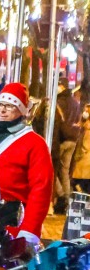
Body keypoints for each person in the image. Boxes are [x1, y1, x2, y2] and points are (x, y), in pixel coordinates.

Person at [0, 83, 53, 248]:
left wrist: (29, 232)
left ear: (22, 111)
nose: (3, 110)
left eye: (10, 106)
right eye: (1, 105)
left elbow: (41, 191)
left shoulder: (35, 144)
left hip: (10, 225)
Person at [32, 75, 81, 214]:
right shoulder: (75, 103)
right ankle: (67, 198)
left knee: (52, 171)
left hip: (60, 141)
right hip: (73, 140)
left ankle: (61, 196)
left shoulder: (59, 103)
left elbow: (58, 124)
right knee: (64, 171)